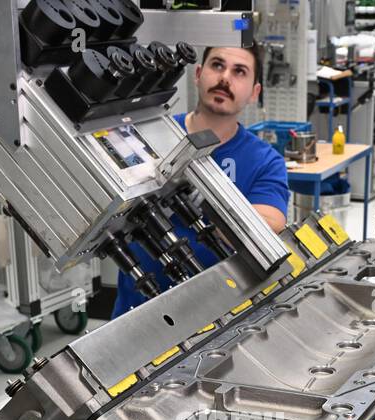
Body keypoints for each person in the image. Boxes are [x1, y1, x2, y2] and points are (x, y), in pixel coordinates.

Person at [111, 44, 289, 318]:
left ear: (254, 92)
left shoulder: (264, 160)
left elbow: (271, 223)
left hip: (218, 317)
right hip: (136, 311)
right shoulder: (150, 136)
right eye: (217, 65)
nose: (225, 78)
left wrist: (214, 203)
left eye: (239, 72)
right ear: (197, 74)